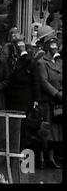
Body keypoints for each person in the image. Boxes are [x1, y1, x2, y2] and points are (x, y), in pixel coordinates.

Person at [37, 30, 62, 169]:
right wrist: (56, 94)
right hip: (47, 101)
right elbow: (43, 81)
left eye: (55, 45)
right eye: (51, 45)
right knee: (45, 130)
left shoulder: (60, 62)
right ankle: (41, 158)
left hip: (58, 102)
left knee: (55, 131)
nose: (54, 47)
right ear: (47, 47)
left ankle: (51, 158)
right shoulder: (42, 62)